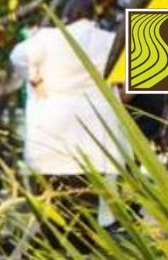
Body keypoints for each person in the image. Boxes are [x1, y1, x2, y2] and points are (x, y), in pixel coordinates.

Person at [10, 0, 127, 233]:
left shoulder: (47, 38)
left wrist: (35, 78)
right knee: (88, 197)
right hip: (94, 133)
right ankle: (85, 244)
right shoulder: (109, 41)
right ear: (93, 17)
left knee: (54, 200)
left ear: (67, 16)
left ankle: (57, 244)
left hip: (53, 130)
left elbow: (17, 56)